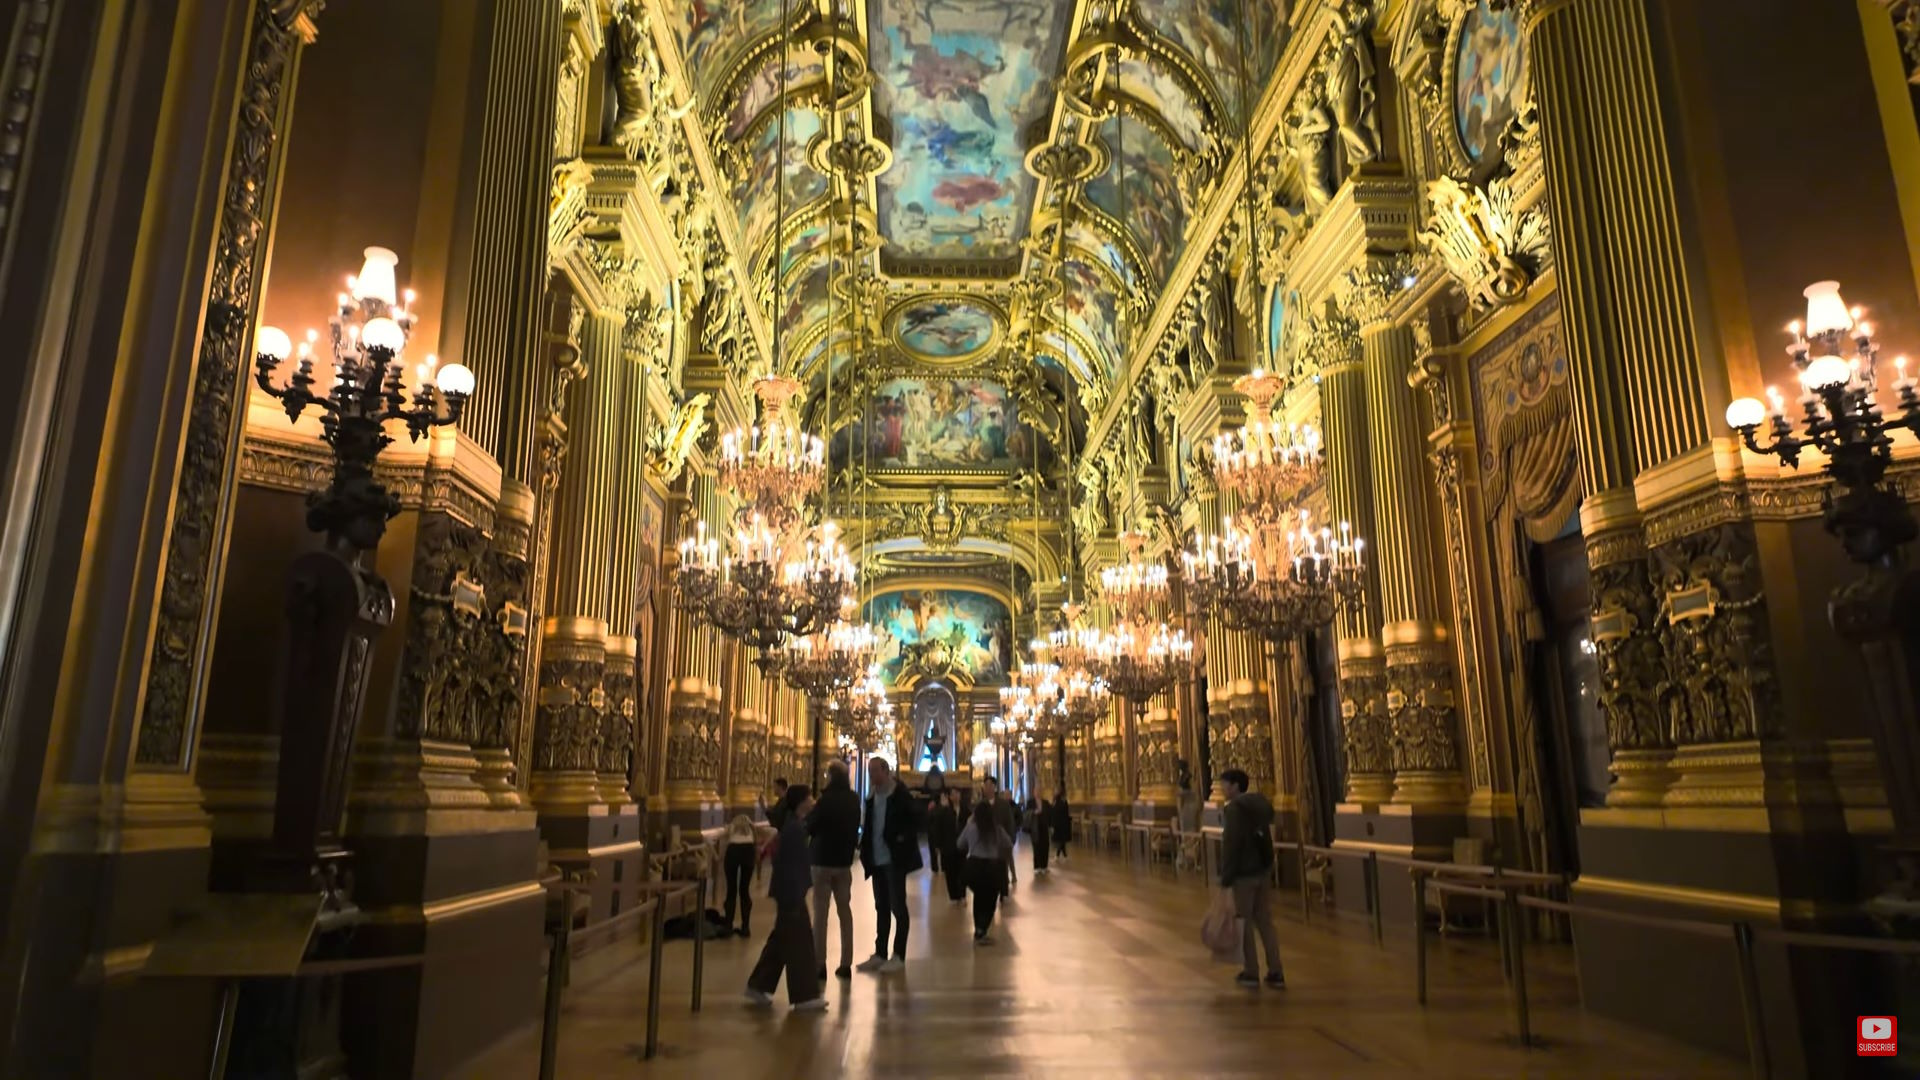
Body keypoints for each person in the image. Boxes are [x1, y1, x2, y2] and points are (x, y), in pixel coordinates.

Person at [744, 785, 826, 1011]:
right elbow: (789, 865)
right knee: (800, 944)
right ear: (802, 801)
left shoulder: (794, 826)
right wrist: (796, 892)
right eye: (810, 797)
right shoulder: (794, 830)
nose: (813, 800)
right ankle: (805, 996)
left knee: (780, 941)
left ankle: (758, 985)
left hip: (789, 890)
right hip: (791, 892)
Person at [1218, 768, 1285, 990]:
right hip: (1261, 871)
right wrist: (1267, 865)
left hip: (1243, 875)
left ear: (1236, 786)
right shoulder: (1257, 806)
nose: (1222, 789)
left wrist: (1226, 878)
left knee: (1243, 922)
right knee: (1265, 922)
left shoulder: (1235, 810)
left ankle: (1251, 971)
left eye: (1225, 784)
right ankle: (1276, 970)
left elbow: (1232, 845)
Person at [856, 758, 922, 973]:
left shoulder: (900, 795)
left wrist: (900, 840)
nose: (871, 775)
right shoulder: (871, 797)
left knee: (898, 907)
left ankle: (899, 955)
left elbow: (915, 823)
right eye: (869, 771)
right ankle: (880, 953)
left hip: (894, 861)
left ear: (886, 771)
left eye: (874, 771)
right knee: (881, 907)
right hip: (876, 859)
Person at [807, 760, 860, 981]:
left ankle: (820, 964)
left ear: (831, 776)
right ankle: (846, 963)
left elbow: (811, 826)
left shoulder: (825, 800)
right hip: (843, 862)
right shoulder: (853, 799)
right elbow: (856, 825)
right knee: (845, 912)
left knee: (821, 913)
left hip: (822, 861)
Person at [957, 801, 1014, 944]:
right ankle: (982, 930)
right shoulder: (996, 829)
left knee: (979, 897)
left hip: (974, 868)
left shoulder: (971, 828)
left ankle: (978, 930)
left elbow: (959, 844)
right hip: (993, 868)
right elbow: (1009, 843)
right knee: (990, 901)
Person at [928, 788, 966, 905]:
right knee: (950, 872)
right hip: (948, 845)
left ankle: (962, 895)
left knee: (962, 871)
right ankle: (953, 896)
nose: (955, 796)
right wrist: (938, 845)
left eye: (957, 793)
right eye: (953, 794)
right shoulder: (944, 811)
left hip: (962, 846)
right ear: (949, 797)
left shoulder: (965, 810)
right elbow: (937, 827)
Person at [722, 814, 757, 938]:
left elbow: (715, 837)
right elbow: (772, 831)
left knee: (731, 890)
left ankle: (728, 927)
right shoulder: (751, 830)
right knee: (744, 890)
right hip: (749, 852)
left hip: (733, 851)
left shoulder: (731, 827)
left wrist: (716, 854)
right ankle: (745, 927)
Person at [989, 783, 1018, 892]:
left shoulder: (1012, 806)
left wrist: (1013, 834)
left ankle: (1012, 876)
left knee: (1008, 858)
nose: (1005, 797)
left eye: (1007, 795)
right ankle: (1003, 880)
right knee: (1002, 860)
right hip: (998, 837)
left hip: (1007, 836)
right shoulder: (996, 806)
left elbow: (1015, 820)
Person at [1027, 796, 1051, 875]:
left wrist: (1051, 826)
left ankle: (1044, 866)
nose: (1038, 791)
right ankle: (1037, 867)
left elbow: (1050, 813)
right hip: (1035, 828)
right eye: (1036, 789)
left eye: (1039, 789)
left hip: (1044, 827)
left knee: (1045, 846)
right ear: (1034, 792)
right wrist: (1034, 812)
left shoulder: (1046, 802)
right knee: (1036, 846)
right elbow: (1026, 813)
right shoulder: (1030, 802)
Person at [1050, 788, 1071, 860]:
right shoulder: (1055, 801)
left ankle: (1058, 855)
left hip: (1062, 824)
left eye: (1056, 792)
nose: (1054, 793)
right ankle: (1064, 855)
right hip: (1057, 824)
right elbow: (1053, 813)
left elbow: (1063, 812)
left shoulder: (1063, 802)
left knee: (1061, 840)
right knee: (1061, 840)